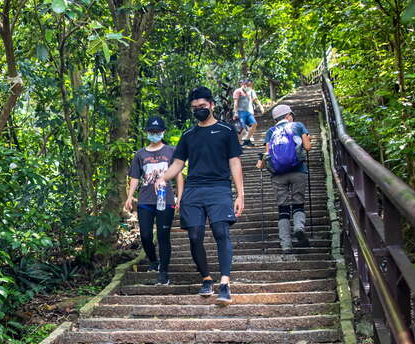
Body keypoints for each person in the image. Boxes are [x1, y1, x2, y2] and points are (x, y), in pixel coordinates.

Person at [154, 87, 244, 305]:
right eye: (195, 108)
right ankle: (206, 278)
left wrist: (240, 194)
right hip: (194, 190)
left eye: (202, 107)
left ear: (212, 105)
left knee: (221, 232)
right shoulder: (188, 135)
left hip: (219, 188)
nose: (199, 111)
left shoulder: (226, 130)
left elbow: (234, 162)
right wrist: (162, 178)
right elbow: (178, 163)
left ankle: (224, 283)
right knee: (194, 236)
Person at [125, 116, 182, 285]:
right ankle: (153, 261)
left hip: (166, 200)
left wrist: (180, 196)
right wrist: (129, 197)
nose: (154, 134)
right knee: (146, 235)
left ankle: (163, 272)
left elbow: (178, 176)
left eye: (157, 131)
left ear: (163, 132)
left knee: (164, 236)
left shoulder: (171, 151)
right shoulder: (140, 154)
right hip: (145, 200)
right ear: (147, 132)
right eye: (151, 131)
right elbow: (135, 177)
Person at [257, 103, 312, 251]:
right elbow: (307, 147)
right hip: (298, 171)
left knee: (283, 209)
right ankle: (299, 228)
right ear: (288, 116)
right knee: (298, 203)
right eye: (291, 115)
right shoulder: (298, 126)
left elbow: (267, 155)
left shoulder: (270, 131)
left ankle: (285, 245)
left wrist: (260, 164)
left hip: (277, 175)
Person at [233, 78, 263, 146]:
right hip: (240, 112)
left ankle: (247, 139)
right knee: (241, 128)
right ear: (242, 84)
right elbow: (235, 102)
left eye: (247, 84)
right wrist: (235, 112)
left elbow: (251, 101)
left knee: (254, 123)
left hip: (247, 112)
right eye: (245, 84)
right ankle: (237, 144)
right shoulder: (237, 91)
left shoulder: (247, 92)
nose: (246, 86)